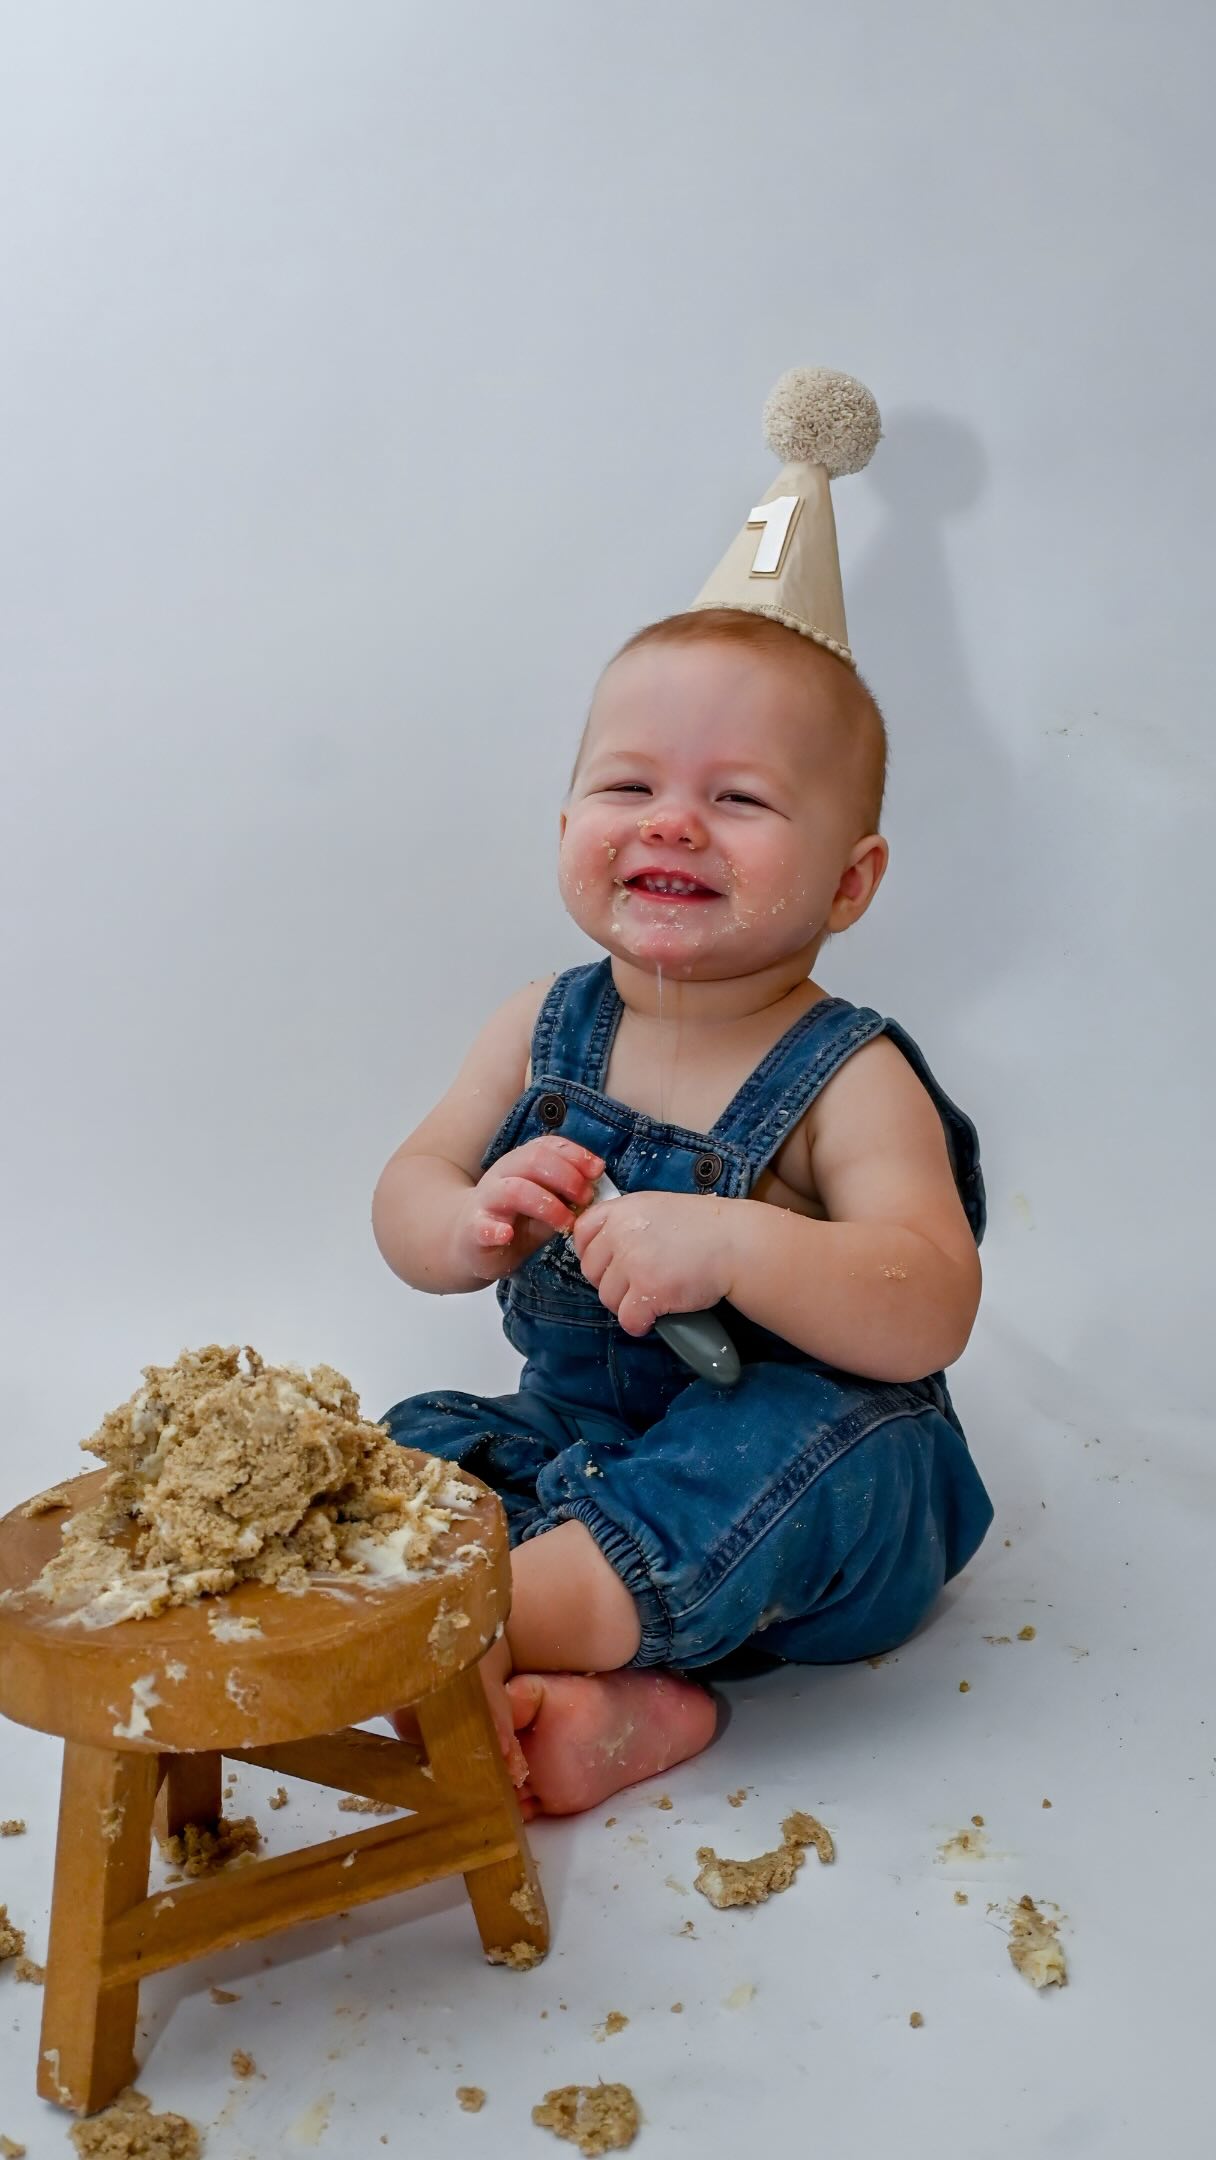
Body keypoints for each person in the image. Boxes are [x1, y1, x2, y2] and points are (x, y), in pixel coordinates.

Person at [372, 369, 993, 1816]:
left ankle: (475, 1626)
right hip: (600, 1452)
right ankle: (630, 1700)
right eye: (629, 783)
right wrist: (465, 1222)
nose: (671, 821)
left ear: (851, 882)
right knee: (415, 1442)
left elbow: (926, 1303)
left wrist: (734, 1242)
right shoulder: (541, 1024)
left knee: (798, 1446)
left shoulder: (852, 1076)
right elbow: (405, 1195)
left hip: (825, 1493)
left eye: (741, 798)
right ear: (570, 818)